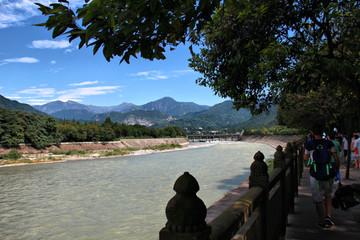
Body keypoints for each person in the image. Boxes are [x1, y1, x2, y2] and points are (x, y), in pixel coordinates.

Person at [304, 124, 340, 229]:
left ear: (312, 133)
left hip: (315, 174)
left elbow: (306, 159)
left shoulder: (310, 144)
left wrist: (310, 164)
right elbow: (336, 158)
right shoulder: (329, 143)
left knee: (318, 198)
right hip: (328, 172)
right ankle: (328, 215)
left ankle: (322, 220)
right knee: (328, 194)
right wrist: (336, 171)